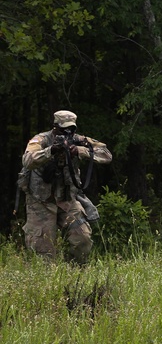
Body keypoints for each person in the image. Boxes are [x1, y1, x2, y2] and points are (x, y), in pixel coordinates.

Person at [19, 110, 113, 264]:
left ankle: (74, 277)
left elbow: (106, 154)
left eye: (71, 129)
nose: (67, 133)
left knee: (82, 238)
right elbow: (28, 160)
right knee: (43, 253)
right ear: (55, 127)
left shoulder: (78, 140)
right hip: (41, 202)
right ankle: (47, 283)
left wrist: (80, 151)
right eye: (63, 130)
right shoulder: (41, 139)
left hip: (67, 199)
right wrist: (51, 151)